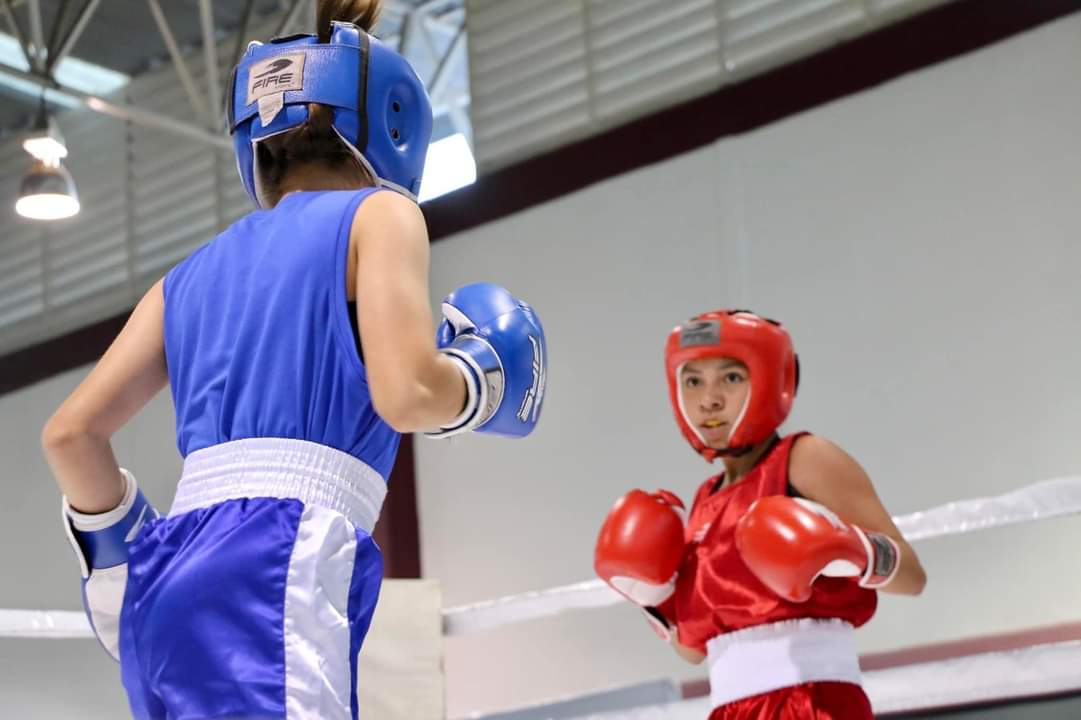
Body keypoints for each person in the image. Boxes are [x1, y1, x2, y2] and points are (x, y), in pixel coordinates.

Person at [42, 2, 547, 718]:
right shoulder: (381, 216)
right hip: (274, 555)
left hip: (165, 579)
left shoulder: (185, 276)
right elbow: (405, 395)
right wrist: (478, 379)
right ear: (396, 124)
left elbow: (69, 435)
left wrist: (125, 563)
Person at [595, 309, 924, 719]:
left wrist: (849, 548)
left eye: (731, 378)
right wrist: (655, 601)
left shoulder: (805, 459)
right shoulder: (703, 501)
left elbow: (911, 576)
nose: (709, 399)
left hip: (812, 701)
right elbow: (694, 650)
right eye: (693, 381)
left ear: (772, 379)